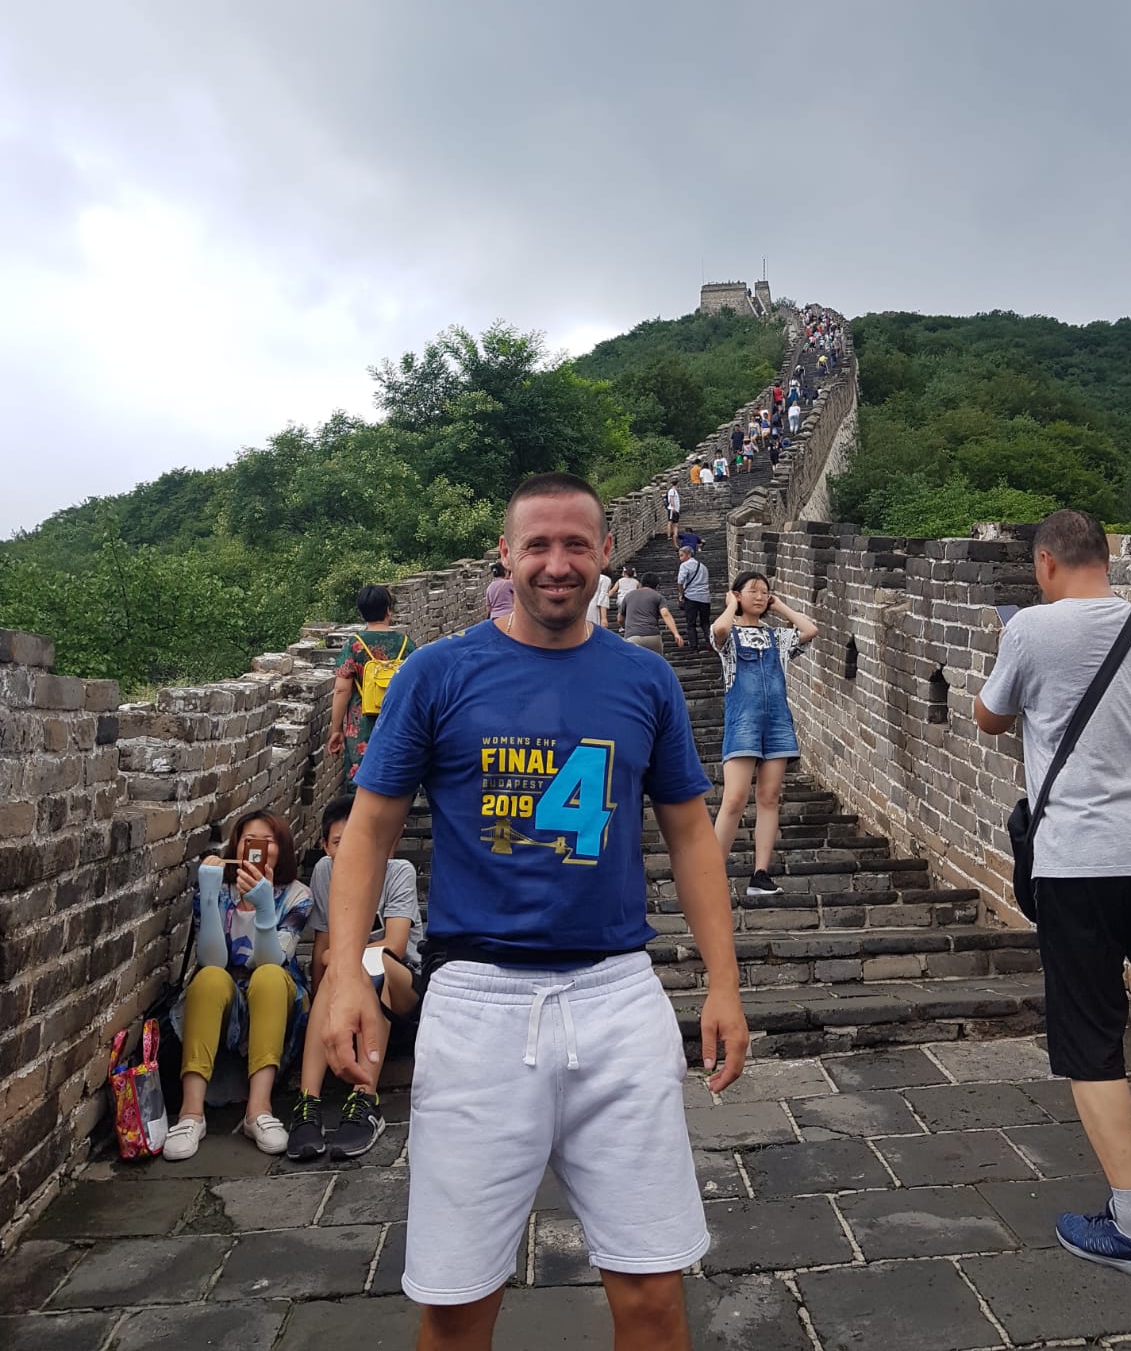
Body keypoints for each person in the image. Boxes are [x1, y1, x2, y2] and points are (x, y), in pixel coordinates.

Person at [322, 472, 747, 1349]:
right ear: (506, 556)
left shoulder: (645, 679)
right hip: (477, 1003)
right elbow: (368, 829)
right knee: (455, 1307)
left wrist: (724, 983)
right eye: (539, 546)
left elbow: (691, 836)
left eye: (577, 545)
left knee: (654, 1298)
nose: (558, 564)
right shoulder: (438, 674)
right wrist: (343, 978)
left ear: (605, 554)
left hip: (616, 996)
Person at [975, 509, 1131, 1281]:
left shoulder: (1032, 631)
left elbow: (989, 718)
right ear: (1105, 557)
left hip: (1079, 861)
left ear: (1045, 563)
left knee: (1092, 1037)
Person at [163, 811, 313, 1161]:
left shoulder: (298, 896)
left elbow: (272, 960)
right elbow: (212, 958)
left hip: (274, 993)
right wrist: (209, 897)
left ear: (281, 848)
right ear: (236, 847)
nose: (257, 848)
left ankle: (259, 1110)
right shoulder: (220, 888)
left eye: (267, 841)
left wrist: (264, 907)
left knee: (269, 976)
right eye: (248, 840)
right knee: (209, 978)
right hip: (224, 992)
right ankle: (190, 1113)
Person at [288, 794, 422, 1162]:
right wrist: (323, 1005)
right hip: (349, 979)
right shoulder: (325, 872)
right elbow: (322, 947)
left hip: (400, 983)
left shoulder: (399, 871)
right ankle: (307, 1103)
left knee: (359, 962)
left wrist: (339, 958)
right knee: (341, 967)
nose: (348, 851)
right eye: (338, 843)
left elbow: (394, 945)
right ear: (324, 845)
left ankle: (365, 1099)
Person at [711, 573, 818, 897]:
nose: (760, 596)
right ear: (737, 595)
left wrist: (780, 606)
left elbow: (810, 630)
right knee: (734, 799)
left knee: (769, 798)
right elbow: (719, 631)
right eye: (753, 591)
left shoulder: (777, 637)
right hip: (742, 721)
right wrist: (730, 605)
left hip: (778, 722)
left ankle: (760, 875)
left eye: (765, 592)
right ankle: (709, 874)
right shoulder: (730, 635)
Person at [327, 586, 417, 788]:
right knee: (395, 780)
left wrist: (336, 729)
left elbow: (341, 690)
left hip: (362, 727)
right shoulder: (406, 645)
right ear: (388, 611)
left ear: (361, 613)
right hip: (398, 723)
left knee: (362, 782)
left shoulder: (355, 645)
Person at [618, 572, 685, 654]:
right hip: (652, 636)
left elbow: (620, 618)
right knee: (656, 661)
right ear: (656, 586)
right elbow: (665, 614)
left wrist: (626, 627)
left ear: (641, 584)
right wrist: (676, 634)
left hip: (632, 637)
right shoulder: (657, 596)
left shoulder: (628, 596)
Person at [676, 544, 711, 652]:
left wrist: (681, 594)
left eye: (681, 555)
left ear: (688, 554)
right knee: (705, 623)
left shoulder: (685, 566)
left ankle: (694, 646)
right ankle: (710, 642)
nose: (680, 558)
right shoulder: (703, 566)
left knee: (691, 623)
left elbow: (680, 581)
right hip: (705, 598)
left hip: (691, 597)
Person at [664, 481, 681, 547]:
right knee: (670, 521)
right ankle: (669, 535)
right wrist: (673, 507)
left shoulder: (675, 491)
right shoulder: (672, 491)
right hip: (672, 509)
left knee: (676, 523)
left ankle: (675, 535)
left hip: (676, 510)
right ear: (677, 484)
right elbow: (671, 499)